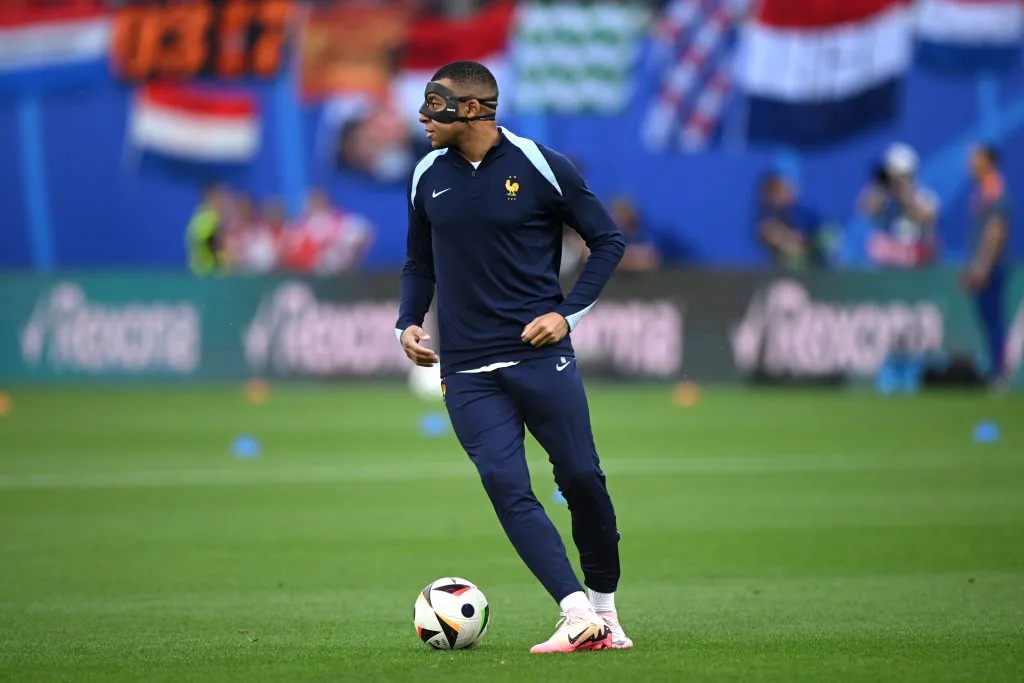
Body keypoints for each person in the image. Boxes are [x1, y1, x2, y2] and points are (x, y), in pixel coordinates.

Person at [395, 60, 629, 654]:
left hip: (537, 358)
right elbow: (419, 262)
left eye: (436, 104)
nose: (424, 115)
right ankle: (575, 613)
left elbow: (607, 241)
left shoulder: (542, 164)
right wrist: (408, 320)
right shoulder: (425, 174)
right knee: (504, 482)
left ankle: (604, 607)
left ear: (474, 109)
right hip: (467, 368)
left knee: (582, 479)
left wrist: (566, 314)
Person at [963, 144, 1013, 388]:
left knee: (993, 319)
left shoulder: (993, 189)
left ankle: (999, 373)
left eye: (975, 158)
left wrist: (981, 266)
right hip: (983, 266)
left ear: (988, 161)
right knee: (986, 318)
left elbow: (995, 231)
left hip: (991, 267)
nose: (970, 162)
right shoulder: (982, 190)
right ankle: (994, 369)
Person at [858, 142, 939, 268]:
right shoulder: (884, 197)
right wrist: (880, 185)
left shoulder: (926, 198)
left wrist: (904, 192)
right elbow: (865, 209)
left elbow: (925, 217)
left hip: (914, 263)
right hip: (886, 264)